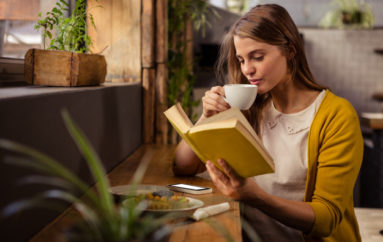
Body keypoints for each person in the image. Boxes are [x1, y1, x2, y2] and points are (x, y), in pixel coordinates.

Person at [173, 4, 363, 242]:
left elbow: (326, 219)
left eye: (257, 57)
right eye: (241, 60)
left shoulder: (336, 116)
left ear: (290, 51)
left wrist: (256, 197)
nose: (247, 70)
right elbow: (182, 165)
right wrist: (206, 116)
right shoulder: (250, 109)